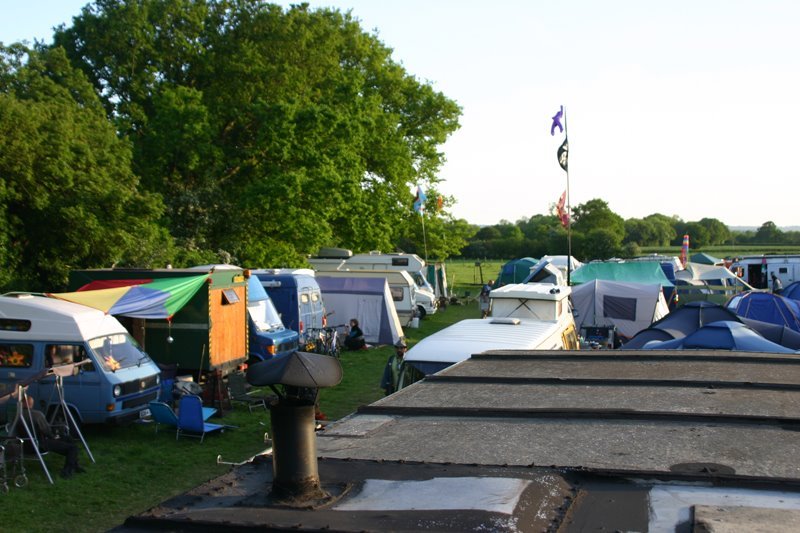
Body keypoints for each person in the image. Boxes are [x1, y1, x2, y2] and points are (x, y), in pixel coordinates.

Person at [13, 395, 85, 479]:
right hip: (39, 444)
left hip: (23, 445)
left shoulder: (16, 415)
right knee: (72, 448)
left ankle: (74, 464)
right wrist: (54, 436)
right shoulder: (37, 415)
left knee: (68, 439)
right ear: (30, 404)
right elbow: (46, 431)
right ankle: (67, 471)